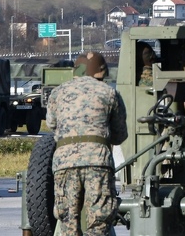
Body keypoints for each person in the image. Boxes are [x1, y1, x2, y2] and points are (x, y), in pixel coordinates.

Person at [45, 52, 128, 236]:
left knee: (67, 221)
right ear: (101, 72)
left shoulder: (58, 92)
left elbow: (51, 124)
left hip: (64, 163)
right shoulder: (109, 92)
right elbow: (120, 135)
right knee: (99, 221)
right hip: (98, 162)